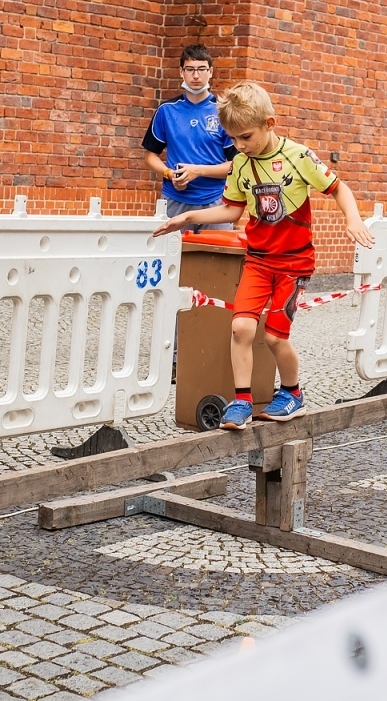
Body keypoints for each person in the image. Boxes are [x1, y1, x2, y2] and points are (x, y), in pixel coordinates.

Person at [153, 81, 372, 429]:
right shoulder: (241, 163)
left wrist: (353, 217)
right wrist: (188, 216)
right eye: (234, 139)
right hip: (258, 260)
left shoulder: (298, 157)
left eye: (245, 137)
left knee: (273, 336)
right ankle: (241, 401)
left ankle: (292, 393)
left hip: (294, 264)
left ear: (269, 124)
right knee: (240, 328)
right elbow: (230, 211)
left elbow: (338, 188)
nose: (239, 146)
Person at [141, 44, 235, 232]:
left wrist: (198, 171)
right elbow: (150, 156)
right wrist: (169, 174)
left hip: (216, 203)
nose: (196, 75)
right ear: (181, 72)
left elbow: (236, 165)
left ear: (210, 72)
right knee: (172, 260)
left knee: (216, 260)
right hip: (175, 201)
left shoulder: (224, 111)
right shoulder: (166, 111)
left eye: (201, 69)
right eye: (190, 69)